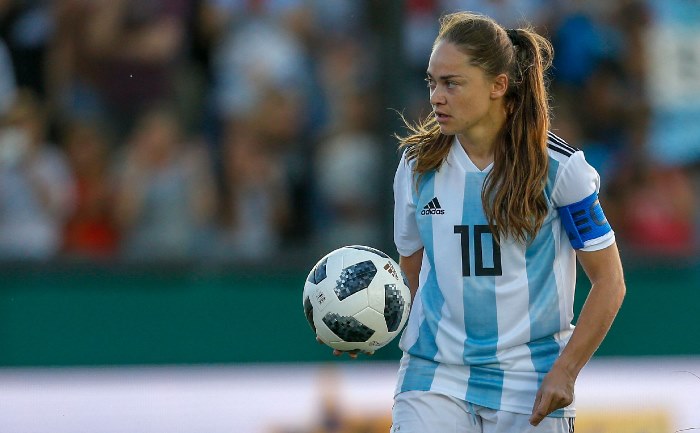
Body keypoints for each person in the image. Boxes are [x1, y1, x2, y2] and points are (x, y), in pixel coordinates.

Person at [328, 11, 626, 433]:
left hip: (531, 381)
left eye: (452, 83)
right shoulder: (416, 166)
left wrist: (567, 370)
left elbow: (610, 282)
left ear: (498, 86)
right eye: (431, 82)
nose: (436, 97)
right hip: (435, 375)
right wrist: (369, 323)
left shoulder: (562, 170)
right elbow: (411, 273)